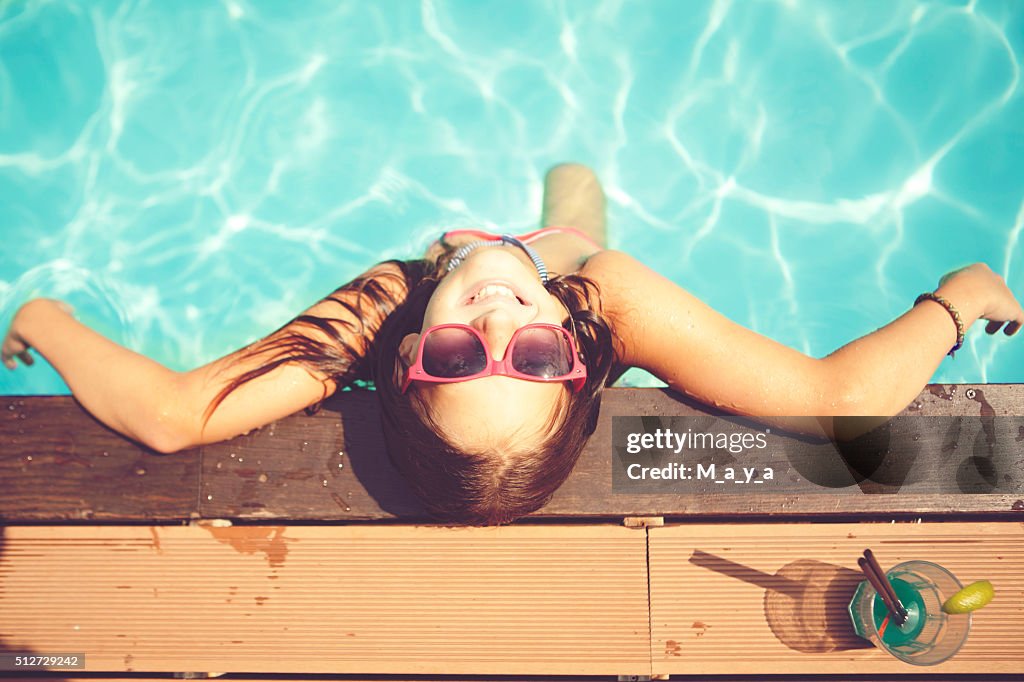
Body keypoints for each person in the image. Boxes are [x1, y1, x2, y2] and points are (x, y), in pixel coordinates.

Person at [3, 164, 1023, 524]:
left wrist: (40, 316)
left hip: (450, 254)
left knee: (477, 253)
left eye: (454, 359)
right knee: (574, 188)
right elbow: (838, 398)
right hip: (562, 258)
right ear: (573, 367)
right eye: (531, 362)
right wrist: (952, 298)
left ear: (408, 368)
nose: (496, 324)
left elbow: (175, 415)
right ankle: (561, 197)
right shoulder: (599, 304)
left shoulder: (390, 305)